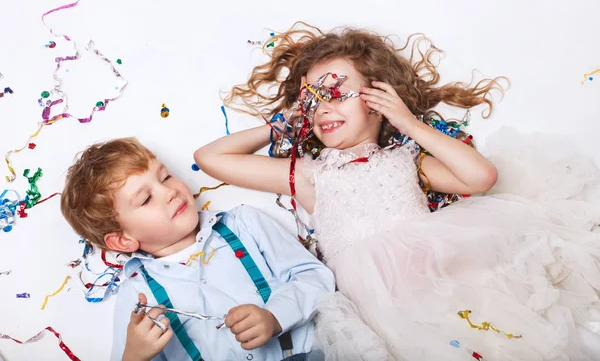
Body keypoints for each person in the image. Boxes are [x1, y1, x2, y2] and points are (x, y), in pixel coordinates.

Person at [194, 23, 600, 360]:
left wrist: (408, 122)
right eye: (313, 99)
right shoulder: (310, 175)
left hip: (449, 289)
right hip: (381, 318)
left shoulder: (407, 161)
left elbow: (480, 178)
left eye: (336, 93)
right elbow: (211, 157)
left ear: (376, 98)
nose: (323, 107)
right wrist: (281, 123)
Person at [60, 137, 334, 361]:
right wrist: (135, 356)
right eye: (146, 199)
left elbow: (317, 278)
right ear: (123, 241)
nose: (170, 191)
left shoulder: (244, 224)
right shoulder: (137, 295)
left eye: (165, 177)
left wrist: (275, 316)